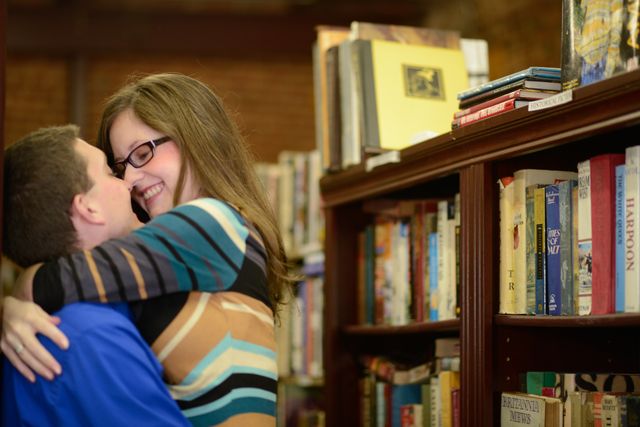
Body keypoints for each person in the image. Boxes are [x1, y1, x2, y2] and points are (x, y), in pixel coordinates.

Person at [2, 73, 294, 426]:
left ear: (196, 135)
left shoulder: (214, 222)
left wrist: (13, 302)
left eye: (143, 153)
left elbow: (62, 279)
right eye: (119, 167)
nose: (129, 179)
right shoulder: (173, 253)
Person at [1, 125, 190, 426]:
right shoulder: (89, 337)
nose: (127, 182)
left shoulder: (81, 314)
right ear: (87, 208)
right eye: (109, 171)